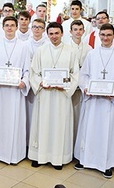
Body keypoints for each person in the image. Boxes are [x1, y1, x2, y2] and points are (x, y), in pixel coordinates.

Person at [74, 23, 114, 179]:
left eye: (109, 35)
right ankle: (85, 160)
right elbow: (83, 75)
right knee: (89, 130)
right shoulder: (92, 54)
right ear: (99, 36)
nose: (105, 38)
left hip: (109, 103)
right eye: (103, 35)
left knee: (108, 132)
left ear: (113, 36)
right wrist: (86, 88)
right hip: (93, 101)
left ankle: (107, 164)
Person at [29, 22, 79, 170]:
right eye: (51, 34)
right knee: (42, 123)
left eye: (57, 33)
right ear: (47, 34)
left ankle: (58, 158)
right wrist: (41, 84)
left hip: (62, 95)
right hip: (45, 94)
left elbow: (75, 74)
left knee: (59, 125)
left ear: (62, 33)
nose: (54, 37)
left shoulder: (71, 51)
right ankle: (39, 156)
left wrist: (65, 85)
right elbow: (34, 72)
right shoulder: (41, 50)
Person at [0, 16, 30, 164]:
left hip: (15, 92)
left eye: (12, 25)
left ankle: (14, 155)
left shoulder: (24, 46)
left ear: (16, 28)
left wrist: (24, 81)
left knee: (14, 121)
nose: (9, 28)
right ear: (2, 28)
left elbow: (28, 69)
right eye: (7, 25)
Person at [68, 20, 92, 140]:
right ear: (70, 31)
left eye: (80, 29)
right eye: (75, 29)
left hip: (82, 85)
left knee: (80, 115)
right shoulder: (66, 47)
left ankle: (79, 141)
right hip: (69, 84)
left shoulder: (89, 48)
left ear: (83, 31)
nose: (78, 32)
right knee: (69, 114)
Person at [24, 19, 47, 145]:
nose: (37, 29)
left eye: (40, 27)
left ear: (44, 29)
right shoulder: (25, 44)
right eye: (34, 27)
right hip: (28, 83)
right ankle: (27, 142)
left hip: (42, 83)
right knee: (28, 114)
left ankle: (39, 142)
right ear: (31, 29)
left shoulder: (48, 45)